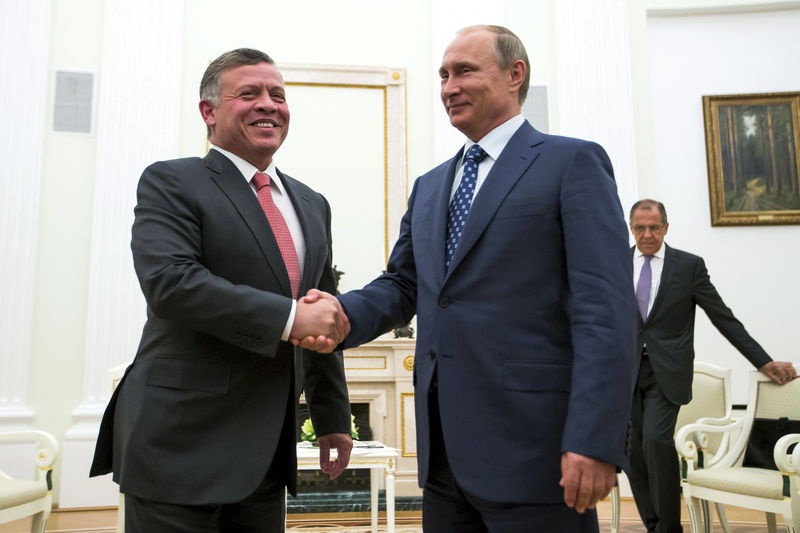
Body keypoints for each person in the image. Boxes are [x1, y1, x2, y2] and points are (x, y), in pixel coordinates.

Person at [296, 25, 636, 532]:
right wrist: (343, 315)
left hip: (537, 451)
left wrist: (593, 438)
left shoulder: (572, 162)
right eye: (442, 75)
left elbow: (605, 310)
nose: (448, 87)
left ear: (515, 74)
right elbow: (404, 284)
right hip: (444, 458)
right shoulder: (431, 186)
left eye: (465, 71)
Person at [89, 48, 353, 533]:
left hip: (266, 454)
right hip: (179, 442)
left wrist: (333, 415)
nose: (268, 104)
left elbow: (321, 310)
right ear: (208, 112)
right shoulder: (172, 181)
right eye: (249, 94)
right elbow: (171, 282)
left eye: (278, 94)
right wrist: (291, 318)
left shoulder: (313, 204)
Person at [624, 199, 797, 533]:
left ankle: (669, 528)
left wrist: (763, 360)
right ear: (631, 228)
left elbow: (723, 318)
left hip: (667, 373)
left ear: (666, 228)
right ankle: (654, 524)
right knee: (632, 451)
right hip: (624, 372)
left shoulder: (688, 267)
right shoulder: (614, 264)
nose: (647, 234)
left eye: (654, 227)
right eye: (639, 227)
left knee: (657, 441)